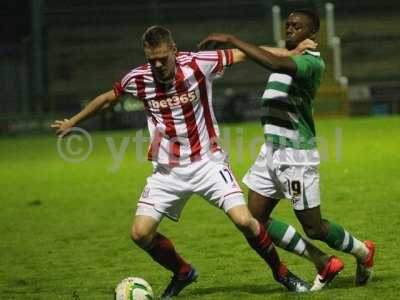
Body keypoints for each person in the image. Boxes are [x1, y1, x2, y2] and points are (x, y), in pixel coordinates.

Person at [51, 26, 314, 298]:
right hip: (167, 172)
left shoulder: (198, 63)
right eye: (151, 59)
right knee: (140, 234)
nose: (157, 65)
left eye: (162, 58)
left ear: (174, 50)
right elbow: (108, 98)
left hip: (208, 163)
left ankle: (283, 274)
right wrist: (73, 121)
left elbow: (245, 53)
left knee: (245, 220)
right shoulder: (138, 79)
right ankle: (183, 272)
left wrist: (290, 53)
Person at [198, 9, 375, 291]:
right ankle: (324, 263)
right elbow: (273, 56)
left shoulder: (310, 62)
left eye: (298, 26)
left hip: (296, 155)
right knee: (254, 220)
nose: (290, 29)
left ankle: (364, 253)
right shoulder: (288, 56)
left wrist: (232, 39)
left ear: (313, 34)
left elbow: (270, 61)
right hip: (271, 151)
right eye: (288, 25)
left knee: (314, 227)